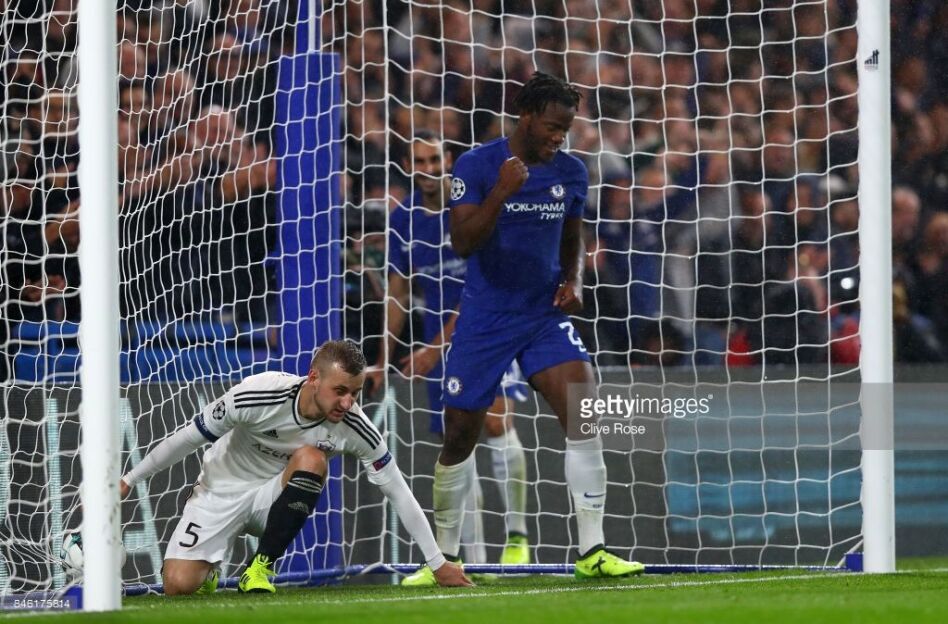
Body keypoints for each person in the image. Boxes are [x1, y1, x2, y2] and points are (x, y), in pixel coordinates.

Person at [406, 72, 644, 584]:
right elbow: (463, 242)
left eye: (567, 128)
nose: (561, 137)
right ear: (528, 117)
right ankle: (444, 559)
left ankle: (593, 551)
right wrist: (501, 193)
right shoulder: (477, 165)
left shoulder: (571, 171)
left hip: (542, 315)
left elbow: (573, 236)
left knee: (584, 413)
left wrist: (574, 280)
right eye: (554, 126)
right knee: (460, 435)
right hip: (486, 317)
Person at [119, 340, 471, 595]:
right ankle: (210, 569)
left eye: (355, 392)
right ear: (313, 377)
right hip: (219, 492)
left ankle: (260, 568)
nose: (347, 402)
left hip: (272, 503)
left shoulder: (356, 426)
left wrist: (438, 562)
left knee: (312, 458)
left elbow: (398, 490)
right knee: (178, 585)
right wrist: (130, 478)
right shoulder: (258, 394)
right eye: (340, 390)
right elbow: (187, 438)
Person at [366, 130, 531, 573]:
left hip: (489, 328)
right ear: (408, 165)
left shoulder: (471, 206)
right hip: (437, 344)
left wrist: (435, 348)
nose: (429, 169)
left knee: (495, 421)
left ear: (449, 159)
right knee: (458, 444)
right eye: (420, 161)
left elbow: (479, 286)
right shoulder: (403, 220)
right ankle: (472, 561)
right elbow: (398, 292)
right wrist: (383, 359)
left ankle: (518, 537)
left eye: (435, 160)